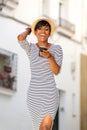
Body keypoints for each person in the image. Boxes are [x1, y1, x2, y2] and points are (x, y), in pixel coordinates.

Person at [17, 17, 63, 130]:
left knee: (46, 126)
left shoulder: (57, 49)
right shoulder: (30, 48)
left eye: (46, 29)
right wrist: (29, 30)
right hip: (34, 94)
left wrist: (50, 57)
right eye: (39, 29)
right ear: (36, 31)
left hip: (50, 93)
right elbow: (20, 38)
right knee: (39, 128)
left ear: (50, 32)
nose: (43, 32)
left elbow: (56, 71)